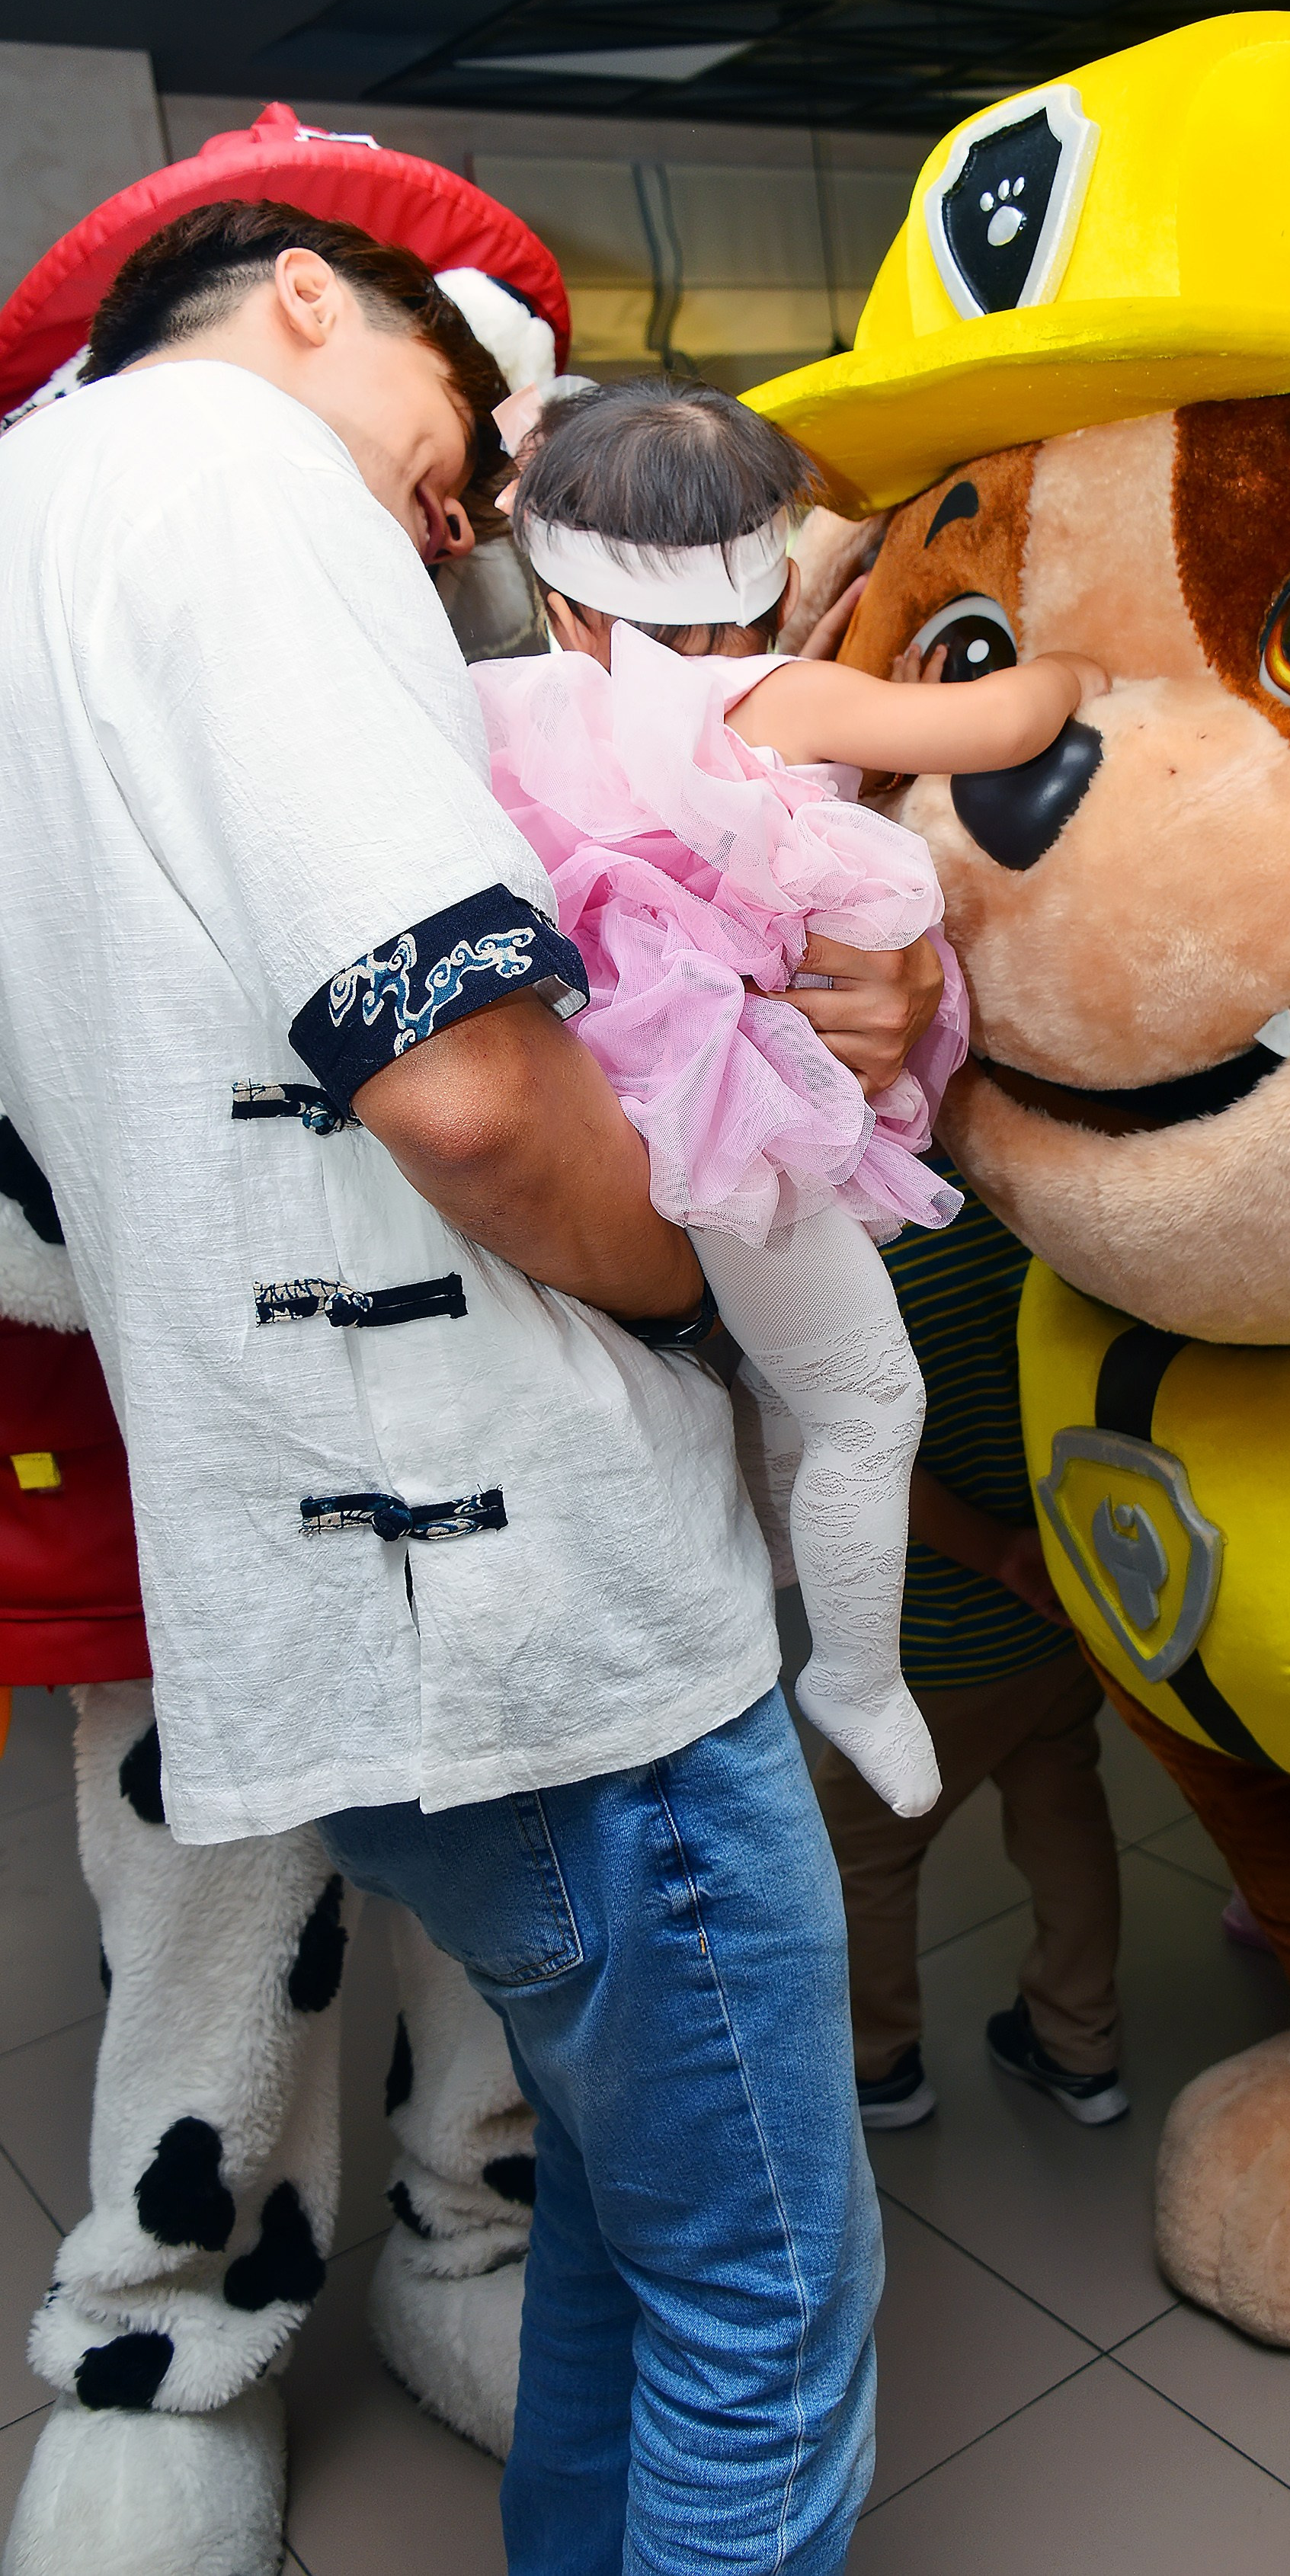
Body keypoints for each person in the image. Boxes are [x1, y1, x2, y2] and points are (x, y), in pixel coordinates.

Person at [0, 197, 941, 2576]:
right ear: (305, 289)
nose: (478, 478)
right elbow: (471, 1088)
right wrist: (691, 1271)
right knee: (768, 2288)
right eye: (460, 403)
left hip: (327, 1586)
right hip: (539, 1616)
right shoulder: (229, 471)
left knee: (625, 2227)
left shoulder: (33, 519)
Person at [475, 376, 1108, 1821]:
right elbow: (1007, 721)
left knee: (781, 1389)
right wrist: (1075, 667)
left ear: (560, 596)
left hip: (594, 1102)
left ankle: (804, 1595)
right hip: (726, 1105)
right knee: (869, 1402)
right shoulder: (759, 696)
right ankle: (859, 1676)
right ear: (761, 589)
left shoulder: (507, 712)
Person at [813, 1154, 1127, 2130]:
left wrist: (996, 1553)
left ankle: (877, 2063)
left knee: (858, 1852)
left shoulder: (853, 1255)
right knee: (1063, 1813)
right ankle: (1080, 2045)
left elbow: (875, 1470)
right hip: (1062, 1607)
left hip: (932, 1635)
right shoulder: (1020, 1206)